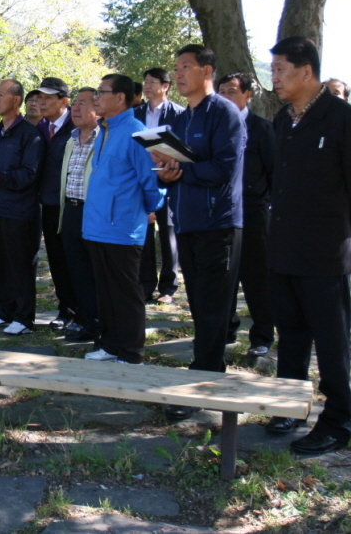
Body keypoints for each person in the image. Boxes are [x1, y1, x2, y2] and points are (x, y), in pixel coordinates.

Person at [264, 36, 351, 455]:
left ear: (306, 71)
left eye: (280, 69)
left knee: (331, 341)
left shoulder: (344, 120)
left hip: (325, 252)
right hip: (283, 249)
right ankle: (290, 407)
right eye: (273, 69)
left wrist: (341, 233)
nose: (273, 77)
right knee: (290, 334)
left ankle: (336, 421)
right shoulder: (283, 120)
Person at [153, 45, 244, 420]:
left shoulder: (224, 112)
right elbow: (176, 168)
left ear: (207, 70)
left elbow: (223, 168)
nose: (178, 74)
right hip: (186, 221)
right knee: (199, 304)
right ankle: (207, 370)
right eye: (175, 68)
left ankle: (205, 379)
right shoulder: (180, 118)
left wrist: (183, 171)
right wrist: (165, 170)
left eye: (185, 67)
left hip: (218, 224)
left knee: (213, 305)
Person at [82, 75, 165, 365]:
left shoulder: (139, 132)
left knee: (126, 293)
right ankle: (110, 344)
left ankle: (131, 352)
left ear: (120, 98)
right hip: (96, 225)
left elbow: (153, 182)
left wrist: (148, 209)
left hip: (123, 227)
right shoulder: (104, 129)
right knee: (105, 291)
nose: (96, 98)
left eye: (101, 93)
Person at [0, 80, 44, 335]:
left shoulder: (30, 134)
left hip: (20, 210)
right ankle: (3, 310)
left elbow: (30, 174)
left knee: (19, 264)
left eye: (1, 95)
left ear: (16, 100)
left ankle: (24, 318)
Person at [216, 72, 276, 357]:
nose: (225, 97)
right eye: (222, 91)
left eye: (231, 91)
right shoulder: (215, 126)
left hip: (252, 212)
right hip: (221, 211)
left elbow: (274, 173)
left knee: (257, 278)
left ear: (248, 95)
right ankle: (225, 330)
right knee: (223, 275)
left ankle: (262, 336)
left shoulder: (262, 129)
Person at [34, 77, 82, 338]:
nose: (42, 102)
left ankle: (82, 311)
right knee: (57, 261)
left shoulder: (77, 127)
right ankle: (66, 309)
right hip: (48, 204)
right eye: (39, 97)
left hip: (72, 204)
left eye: (48, 98)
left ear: (64, 101)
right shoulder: (39, 127)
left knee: (75, 260)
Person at [134, 67, 184, 305]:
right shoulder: (135, 114)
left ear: (166, 86)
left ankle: (168, 286)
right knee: (144, 231)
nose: (147, 86)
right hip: (143, 178)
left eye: (153, 82)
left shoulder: (180, 114)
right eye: (145, 82)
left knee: (168, 230)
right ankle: (145, 284)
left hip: (170, 177)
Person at [56, 88, 102, 342]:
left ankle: (100, 321)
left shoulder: (103, 138)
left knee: (96, 270)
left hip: (93, 212)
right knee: (77, 271)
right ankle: (85, 320)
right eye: (74, 104)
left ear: (97, 108)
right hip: (71, 211)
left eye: (82, 103)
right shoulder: (71, 140)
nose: (75, 108)